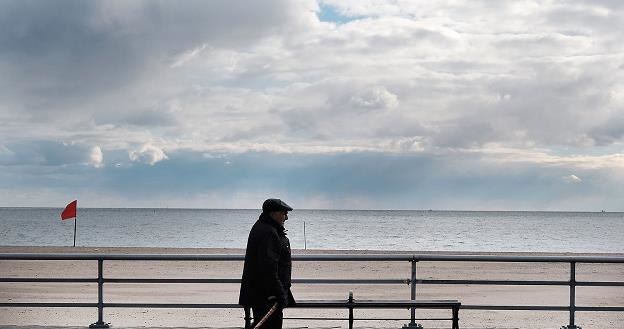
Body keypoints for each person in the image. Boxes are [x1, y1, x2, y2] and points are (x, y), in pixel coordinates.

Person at [239, 198, 296, 329]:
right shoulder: (269, 232)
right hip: (268, 297)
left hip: (264, 295)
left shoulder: (264, 227)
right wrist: (280, 294)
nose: (286, 217)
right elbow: (268, 268)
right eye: (284, 213)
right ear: (273, 214)